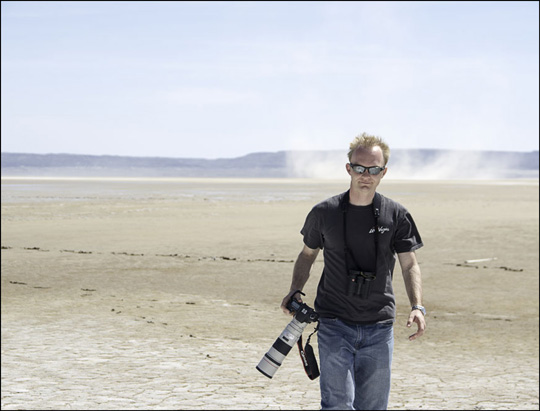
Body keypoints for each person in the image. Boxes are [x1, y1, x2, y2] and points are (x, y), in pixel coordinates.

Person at [281, 133, 426, 410]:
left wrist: (417, 306)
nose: (366, 175)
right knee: (336, 404)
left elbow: (410, 264)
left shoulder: (396, 215)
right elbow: (307, 255)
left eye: (374, 169)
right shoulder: (324, 213)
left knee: (373, 406)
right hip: (335, 323)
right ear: (348, 168)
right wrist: (294, 291)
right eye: (359, 168)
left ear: (384, 172)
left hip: (379, 325)